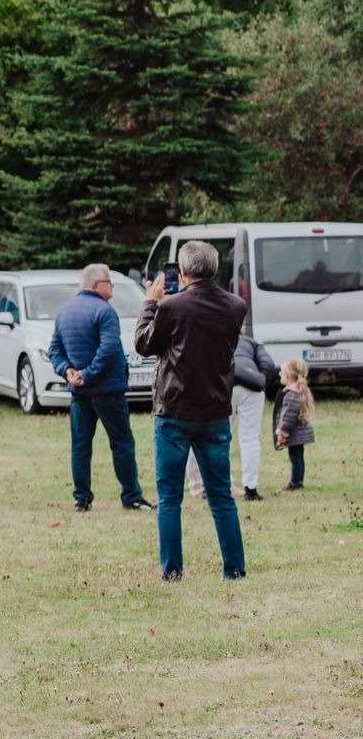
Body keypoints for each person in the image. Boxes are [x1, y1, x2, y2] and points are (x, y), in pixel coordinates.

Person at [134, 239, 247, 581]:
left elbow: (143, 345)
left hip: (175, 410)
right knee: (221, 495)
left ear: (182, 272)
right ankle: (235, 569)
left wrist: (151, 304)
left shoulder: (172, 308)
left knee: (169, 496)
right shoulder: (236, 306)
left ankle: (172, 572)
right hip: (215, 408)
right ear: (215, 269)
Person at [47, 263, 150, 513]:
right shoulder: (105, 311)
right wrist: (87, 374)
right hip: (107, 390)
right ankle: (131, 496)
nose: (112, 286)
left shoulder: (65, 312)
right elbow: (108, 349)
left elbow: (54, 350)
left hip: (80, 393)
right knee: (122, 442)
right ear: (96, 285)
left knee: (81, 445)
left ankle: (81, 498)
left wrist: (68, 371)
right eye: (109, 282)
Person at [187, 331, 280, 501]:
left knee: (217, 438)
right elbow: (269, 364)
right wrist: (259, 378)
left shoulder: (214, 340)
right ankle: (251, 489)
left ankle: (216, 486)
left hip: (223, 386)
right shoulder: (252, 343)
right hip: (252, 387)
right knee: (250, 438)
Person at [274, 358, 315, 491]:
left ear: (289, 375)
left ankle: (295, 482)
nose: (280, 375)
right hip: (299, 434)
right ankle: (299, 480)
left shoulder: (291, 394)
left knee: (295, 458)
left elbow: (288, 417)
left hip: (294, 434)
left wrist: (283, 433)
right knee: (298, 456)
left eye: (282, 373)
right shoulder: (298, 391)